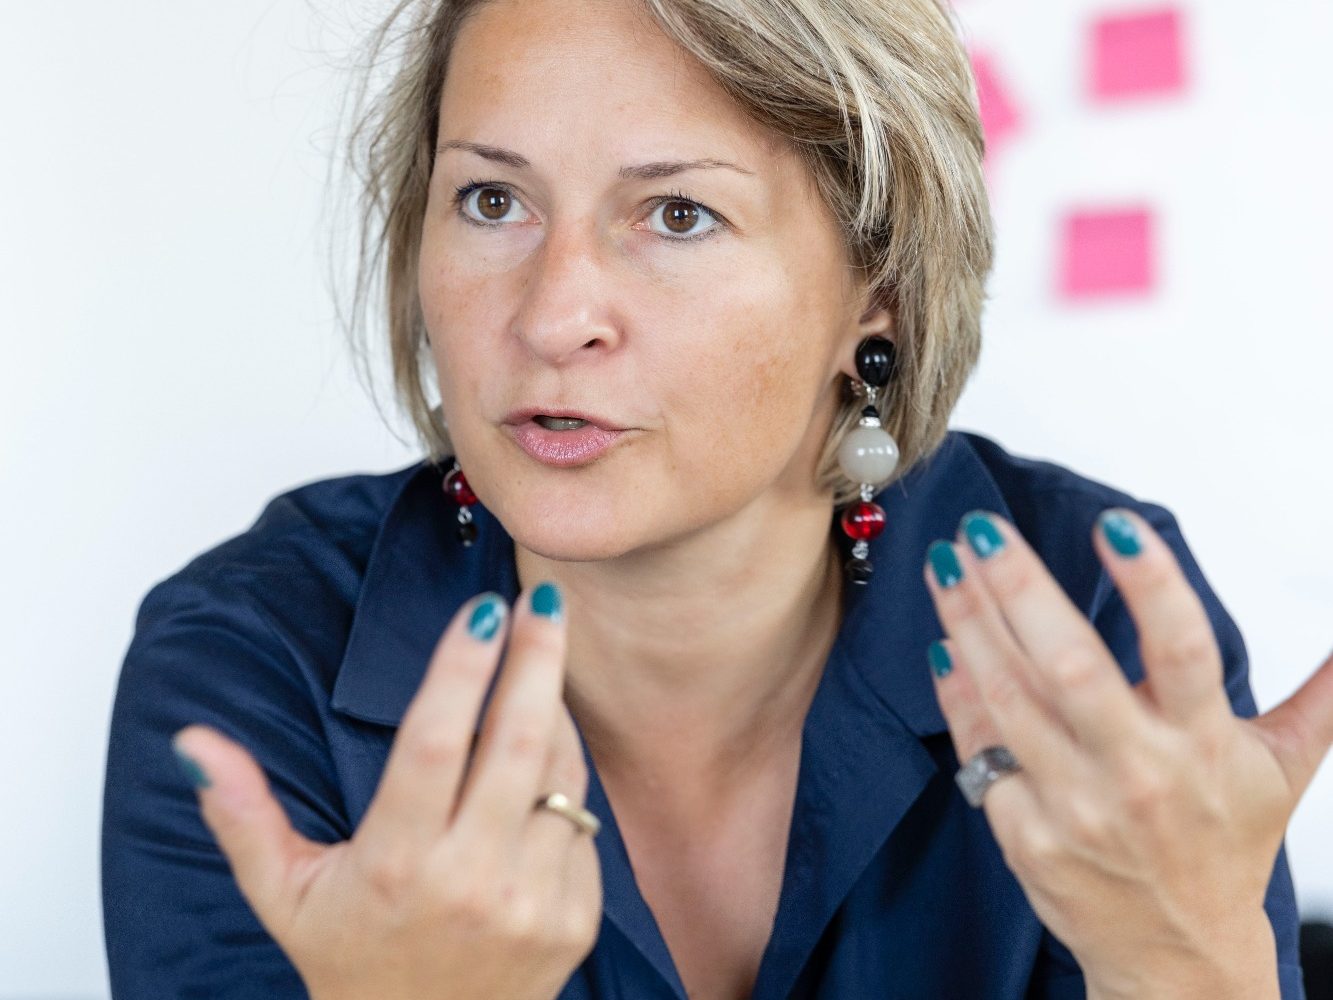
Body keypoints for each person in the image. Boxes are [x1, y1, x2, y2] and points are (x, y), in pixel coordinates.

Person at [100, 0, 1333, 997]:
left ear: (879, 287)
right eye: (492, 200)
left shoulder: (1091, 614)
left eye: (678, 214)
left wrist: (1185, 966)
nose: (552, 316)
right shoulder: (253, 660)